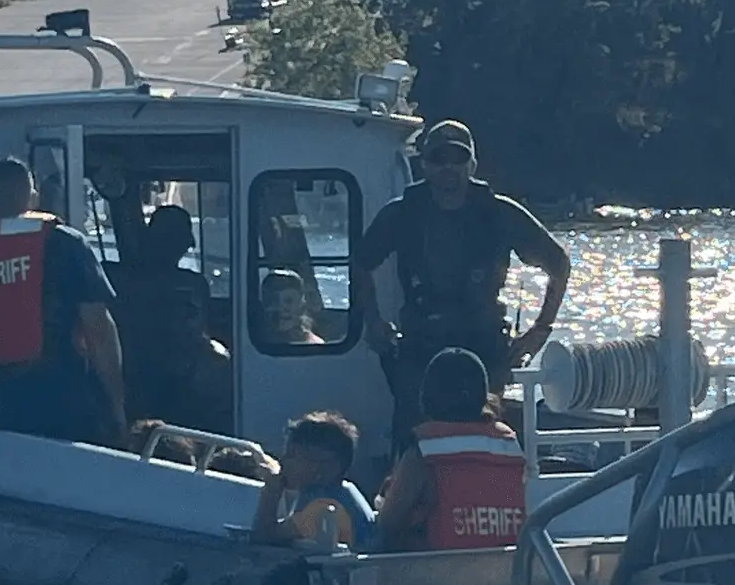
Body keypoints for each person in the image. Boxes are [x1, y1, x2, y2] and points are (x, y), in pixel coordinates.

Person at [347, 120, 572, 449]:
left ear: (473, 165)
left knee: (485, 438)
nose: (448, 167)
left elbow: (559, 264)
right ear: (424, 164)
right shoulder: (401, 213)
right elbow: (361, 262)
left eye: (458, 157)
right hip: (420, 347)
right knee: (414, 442)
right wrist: (374, 322)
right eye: (439, 158)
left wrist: (542, 328)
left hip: (484, 347)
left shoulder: (500, 213)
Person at [0, 156, 131, 448]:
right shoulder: (65, 243)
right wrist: (117, 407)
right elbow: (99, 330)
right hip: (66, 395)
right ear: (32, 194)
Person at [373, 347, 530, 552]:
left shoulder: (424, 450)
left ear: (426, 399)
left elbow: (389, 523)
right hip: (503, 566)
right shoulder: (509, 444)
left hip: (435, 568)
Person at [117, 204, 232, 431]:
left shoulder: (116, 278)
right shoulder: (192, 285)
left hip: (131, 386)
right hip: (178, 391)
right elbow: (197, 337)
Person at [248, 410, 377, 552]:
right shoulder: (345, 492)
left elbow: (263, 537)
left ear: (320, 467)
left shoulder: (322, 508)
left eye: (292, 455)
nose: (283, 461)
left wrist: (272, 489)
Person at [257, 268, 328, 346]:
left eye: (288, 301)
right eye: (273, 300)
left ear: (301, 306)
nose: (281, 307)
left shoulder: (315, 345)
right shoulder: (252, 339)